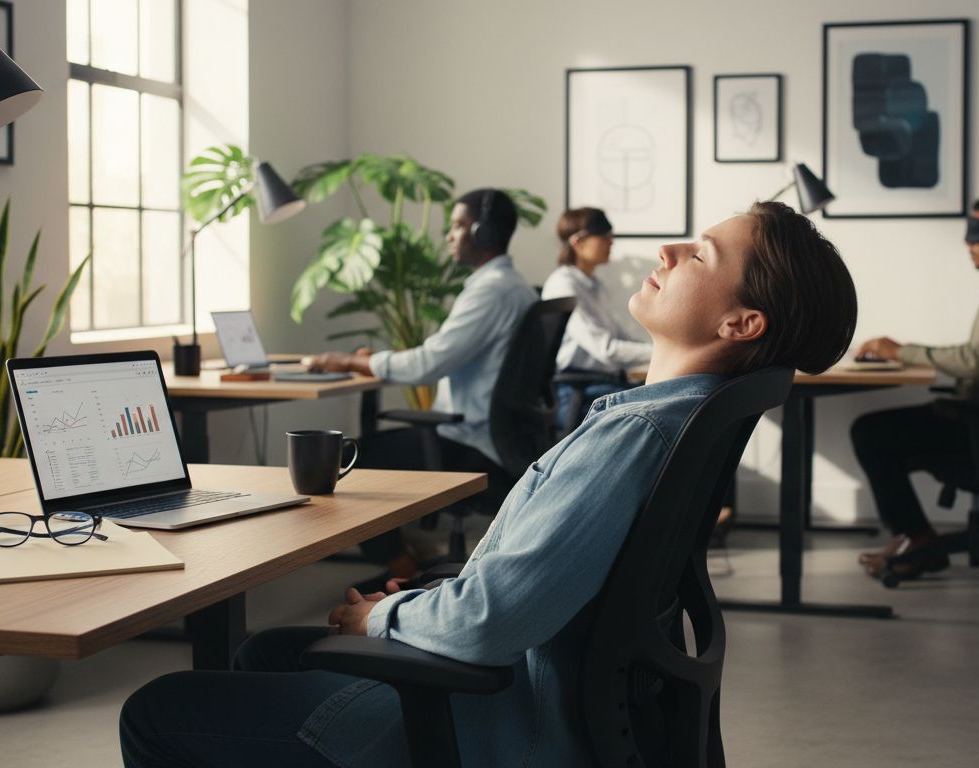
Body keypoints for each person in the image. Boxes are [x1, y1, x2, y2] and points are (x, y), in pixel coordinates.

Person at [119, 200, 859, 768]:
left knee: (156, 709)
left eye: (699, 253)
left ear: (740, 322)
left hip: (500, 717)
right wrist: (413, 604)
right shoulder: (677, 419)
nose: (665, 250)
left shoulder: (633, 437)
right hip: (540, 688)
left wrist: (383, 619)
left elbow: (486, 623)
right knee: (266, 654)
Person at [305, 188, 536, 581]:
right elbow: (443, 353)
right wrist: (369, 361)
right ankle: (407, 557)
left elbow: (429, 363)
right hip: (496, 439)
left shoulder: (490, 292)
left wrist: (348, 361)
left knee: (346, 458)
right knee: (368, 449)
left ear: (483, 233)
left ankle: (401, 567)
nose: (449, 235)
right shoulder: (514, 286)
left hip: (470, 443)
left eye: (459, 226)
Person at [851, 195, 979, 579]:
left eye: (976, 232)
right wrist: (904, 355)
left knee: (871, 434)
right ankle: (914, 536)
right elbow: (978, 358)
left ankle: (920, 541)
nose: (968, 242)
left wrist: (902, 350)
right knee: (878, 434)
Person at [541, 207, 652, 428]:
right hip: (578, 393)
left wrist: (665, 347)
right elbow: (606, 349)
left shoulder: (595, 286)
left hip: (601, 386)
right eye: (604, 236)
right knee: (654, 417)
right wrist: (660, 352)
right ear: (578, 241)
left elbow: (621, 336)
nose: (611, 242)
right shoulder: (564, 285)